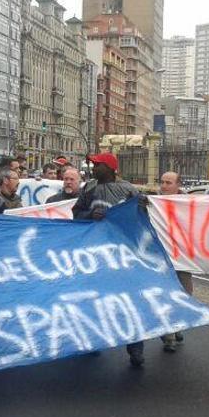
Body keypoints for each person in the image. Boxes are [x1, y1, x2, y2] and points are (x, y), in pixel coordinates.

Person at [72, 153, 144, 365]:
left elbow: (140, 218)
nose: (93, 167)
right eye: (93, 164)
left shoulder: (129, 190)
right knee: (95, 299)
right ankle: (94, 340)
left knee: (130, 301)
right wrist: (88, 216)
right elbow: (76, 212)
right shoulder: (89, 188)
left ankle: (136, 347)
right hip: (95, 254)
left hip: (123, 254)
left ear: (110, 168)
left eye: (97, 164)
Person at [156, 171, 190, 352]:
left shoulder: (189, 204)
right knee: (165, 296)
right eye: (162, 182)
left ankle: (176, 326)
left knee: (184, 295)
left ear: (178, 185)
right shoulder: (154, 203)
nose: (164, 186)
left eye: (168, 183)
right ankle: (168, 336)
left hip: (182, 260)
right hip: (161, 260)